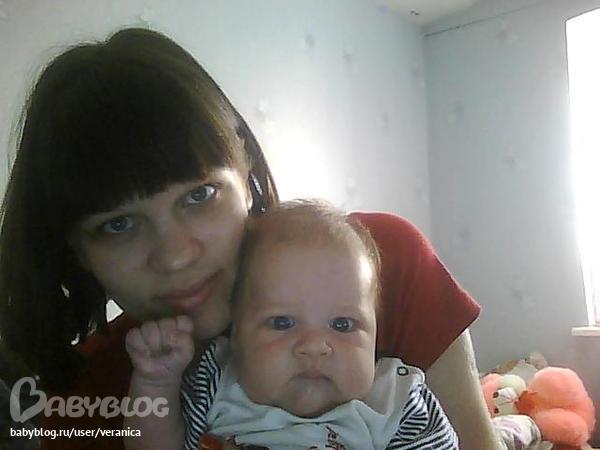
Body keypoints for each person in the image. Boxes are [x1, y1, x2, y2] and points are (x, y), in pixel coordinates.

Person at [0, 27, 497, 450]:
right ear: (75, 250)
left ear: (244, 164)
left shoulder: (380, 261)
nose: (176, 256)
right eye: (118, 225)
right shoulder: (87, 398)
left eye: (199, 195)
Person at [123, 200, 459, 450]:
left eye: (343, 324)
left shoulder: (395, 404)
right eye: (282, 322)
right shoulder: (215, 382)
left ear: (375, 334)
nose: (314, 346)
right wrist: (156, 384)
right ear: (236, 335)